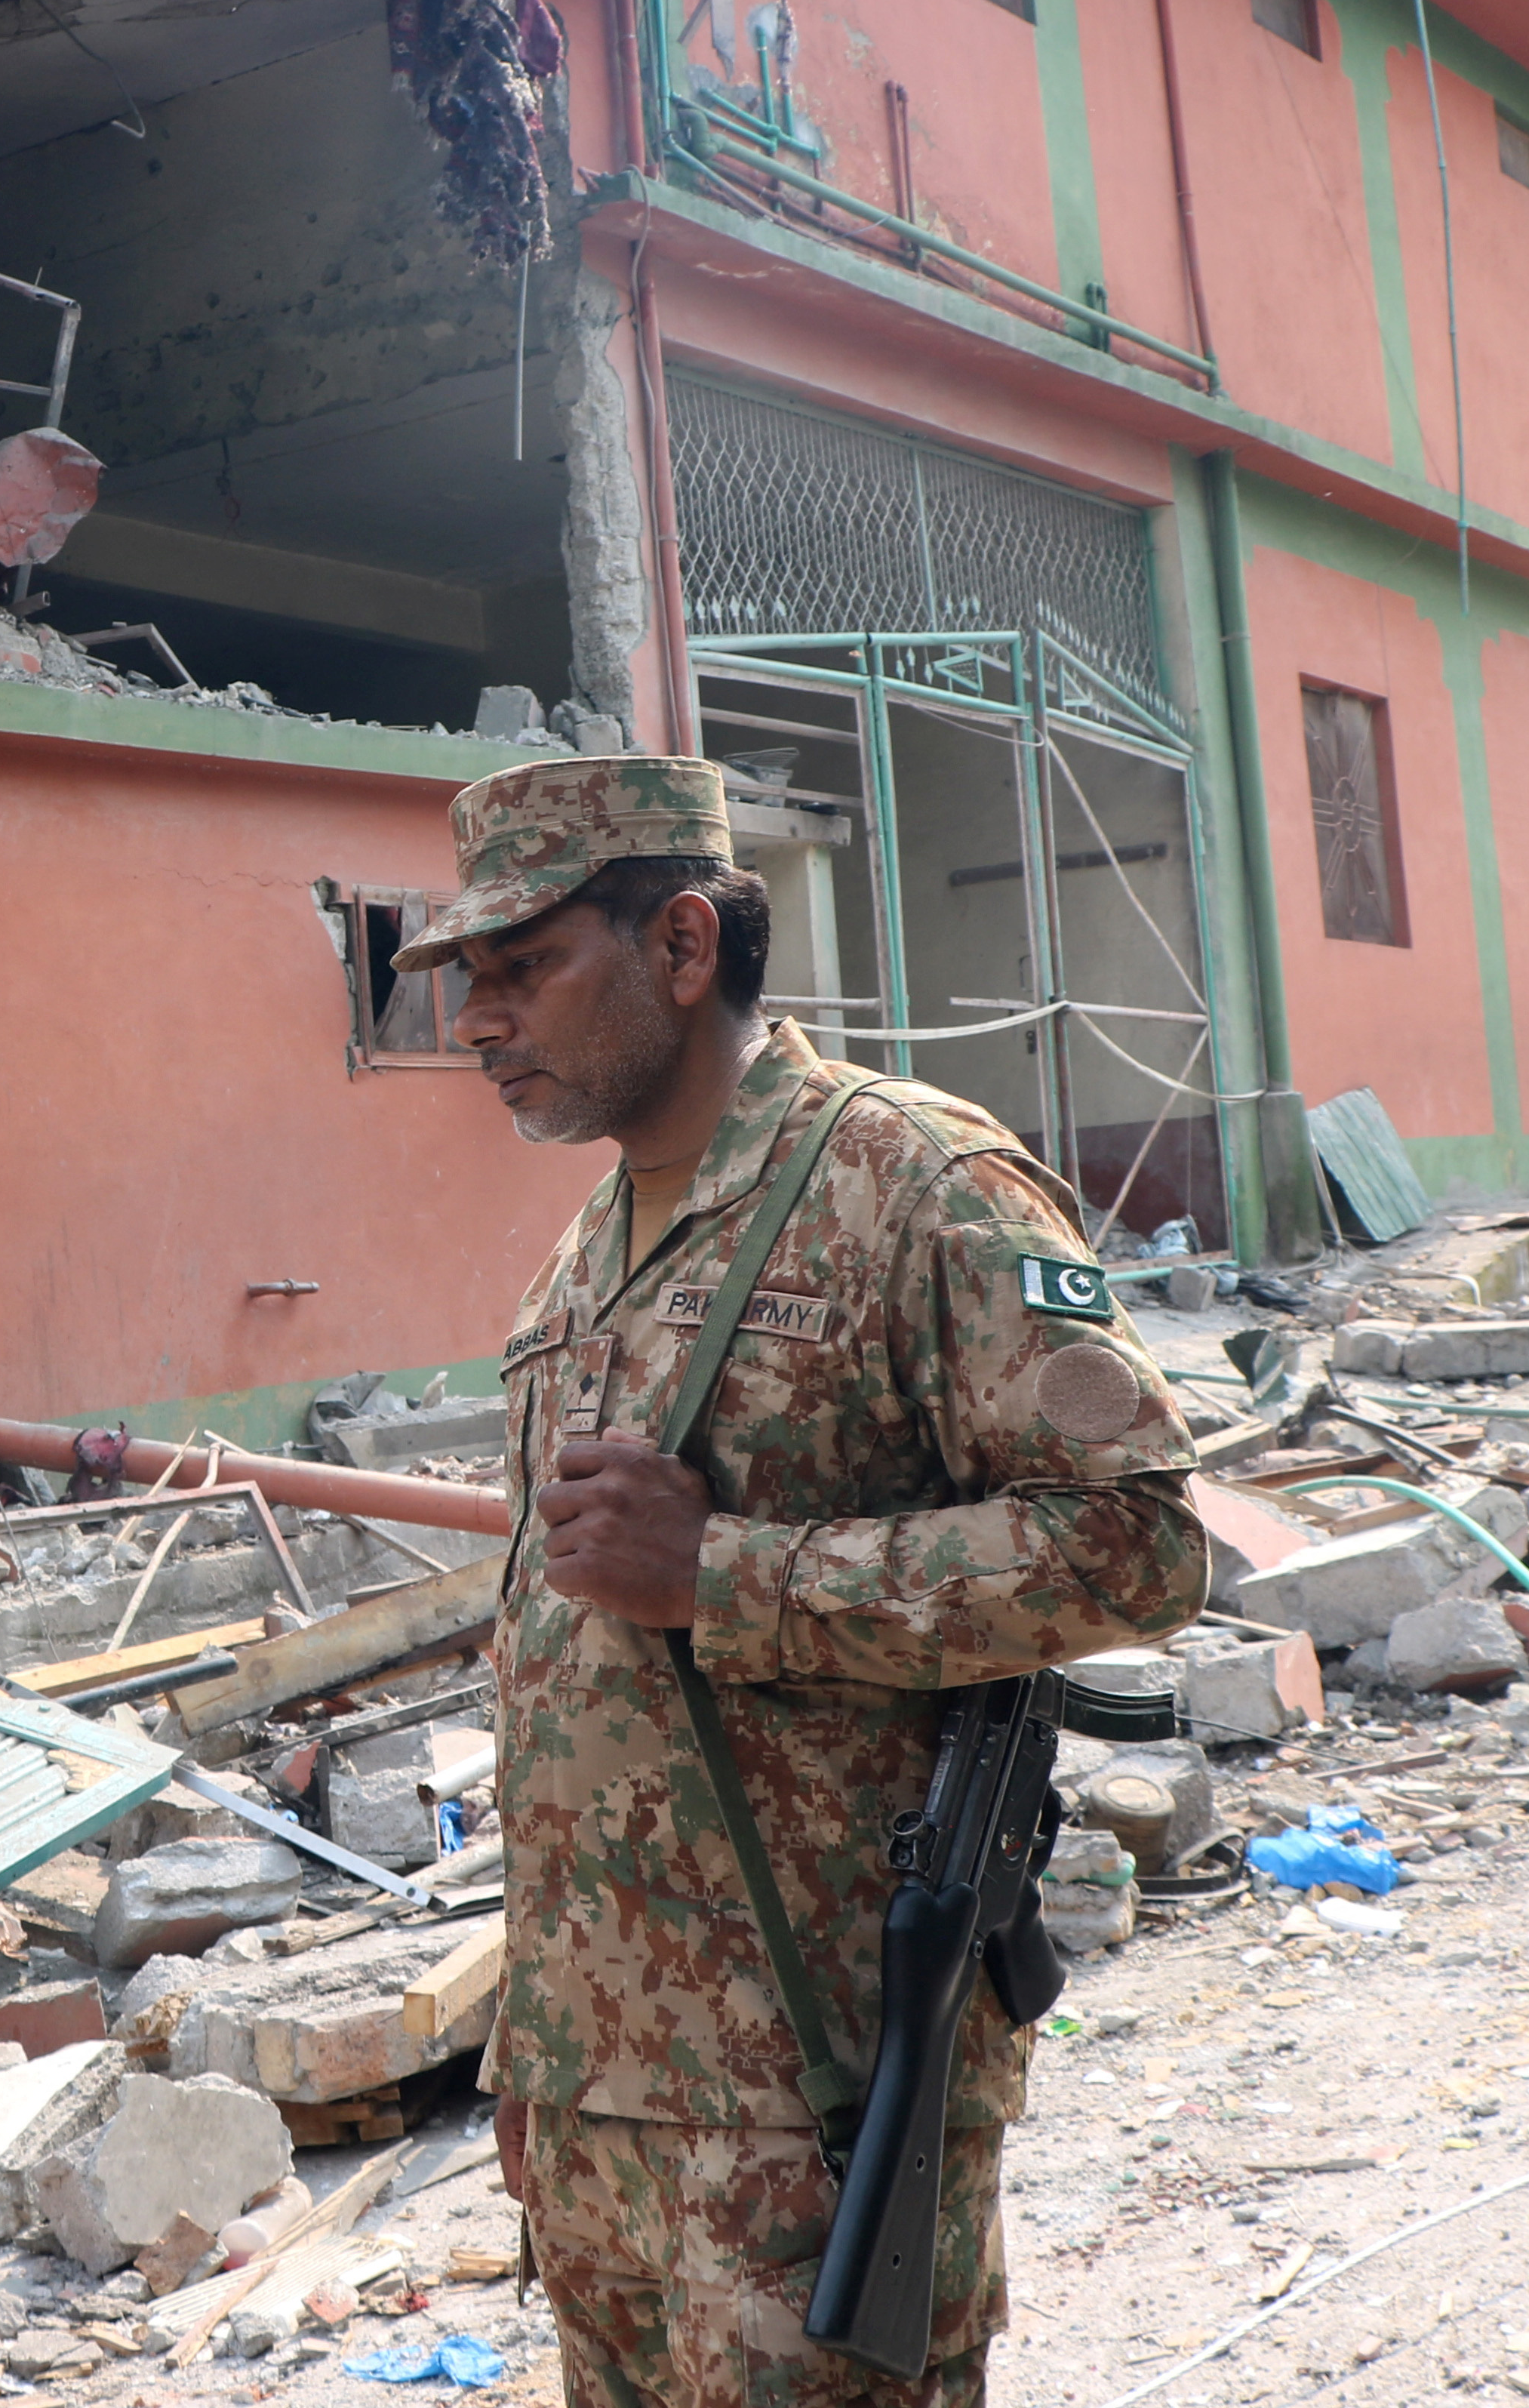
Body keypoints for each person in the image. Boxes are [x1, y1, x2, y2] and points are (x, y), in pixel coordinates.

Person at [400, 755, 1209, 2408]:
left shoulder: (909, 1185)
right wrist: (539, 2059)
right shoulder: (592, 1245)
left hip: (812, 2077)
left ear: (682, 943)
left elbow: (1139, 1541)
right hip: (599, 2099)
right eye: (461, 982)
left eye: (521, 967)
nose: (473, 1022)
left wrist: (734, 1574)